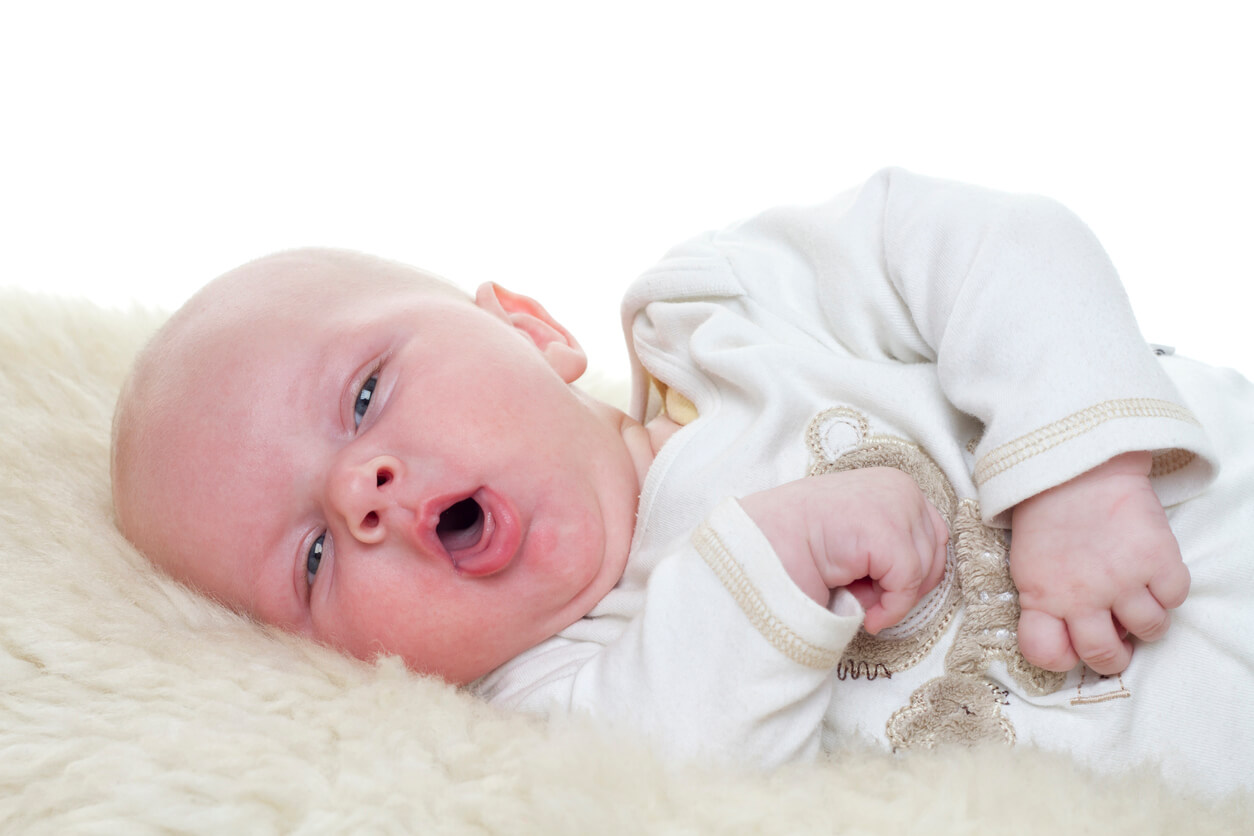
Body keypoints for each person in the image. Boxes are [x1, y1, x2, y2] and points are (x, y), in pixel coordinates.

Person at [111, 168, 1254, 796]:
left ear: (529, 326)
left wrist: (1078, 475)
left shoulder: (729, 313)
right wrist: (778, 552)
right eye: (312, 556)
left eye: (365, 394)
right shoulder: (559, 701)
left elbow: (993, 241)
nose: (363, 489)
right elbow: (692, 780)